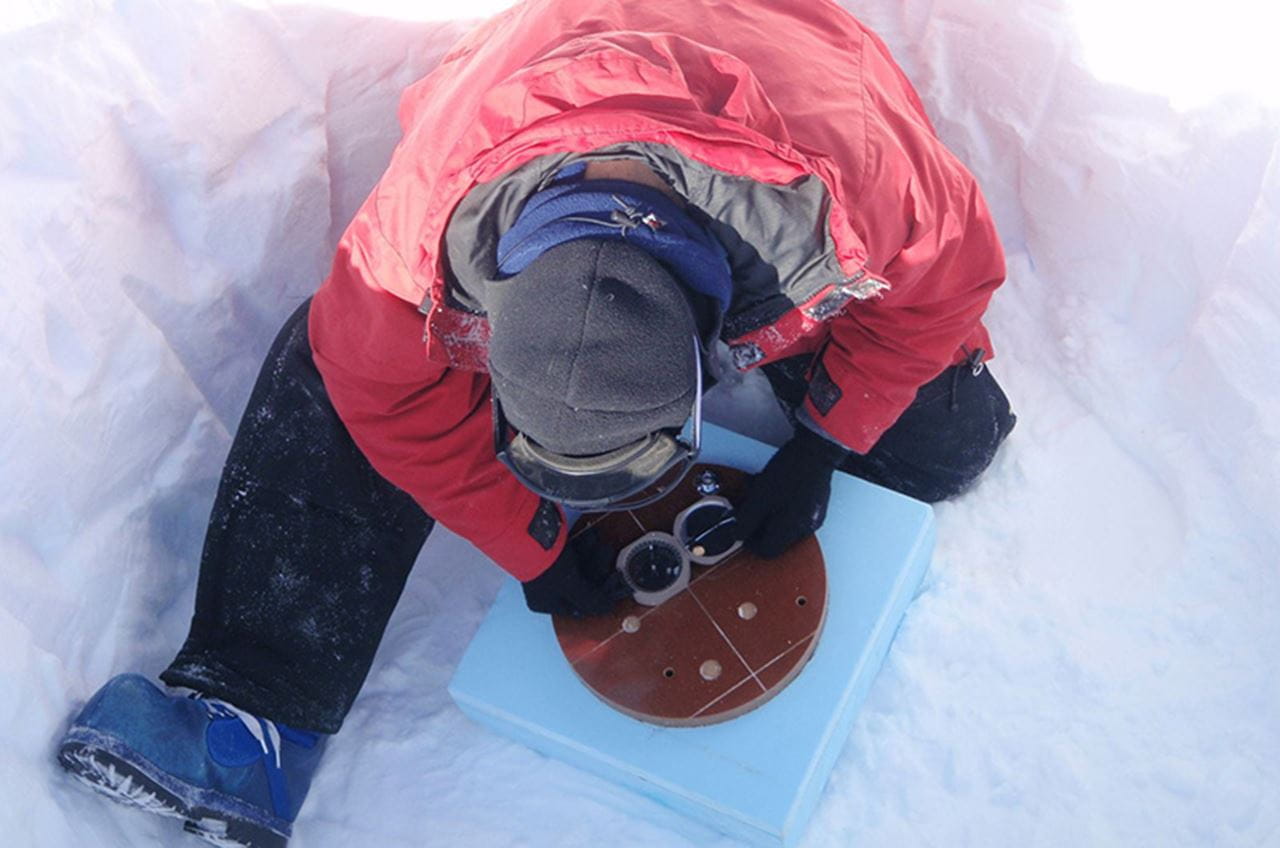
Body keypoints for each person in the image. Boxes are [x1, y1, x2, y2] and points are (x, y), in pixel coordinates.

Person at [56, 0, 1016, 845]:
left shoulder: (860, 196)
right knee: (336, 360)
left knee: (943, 440)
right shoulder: (413, 251)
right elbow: (384, 394)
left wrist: (825, 441)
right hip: (534, 96)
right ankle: (249, 712)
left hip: (773, 73)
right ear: (494, 322)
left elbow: (948, 281)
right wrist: (530, 542)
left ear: (702, 373)